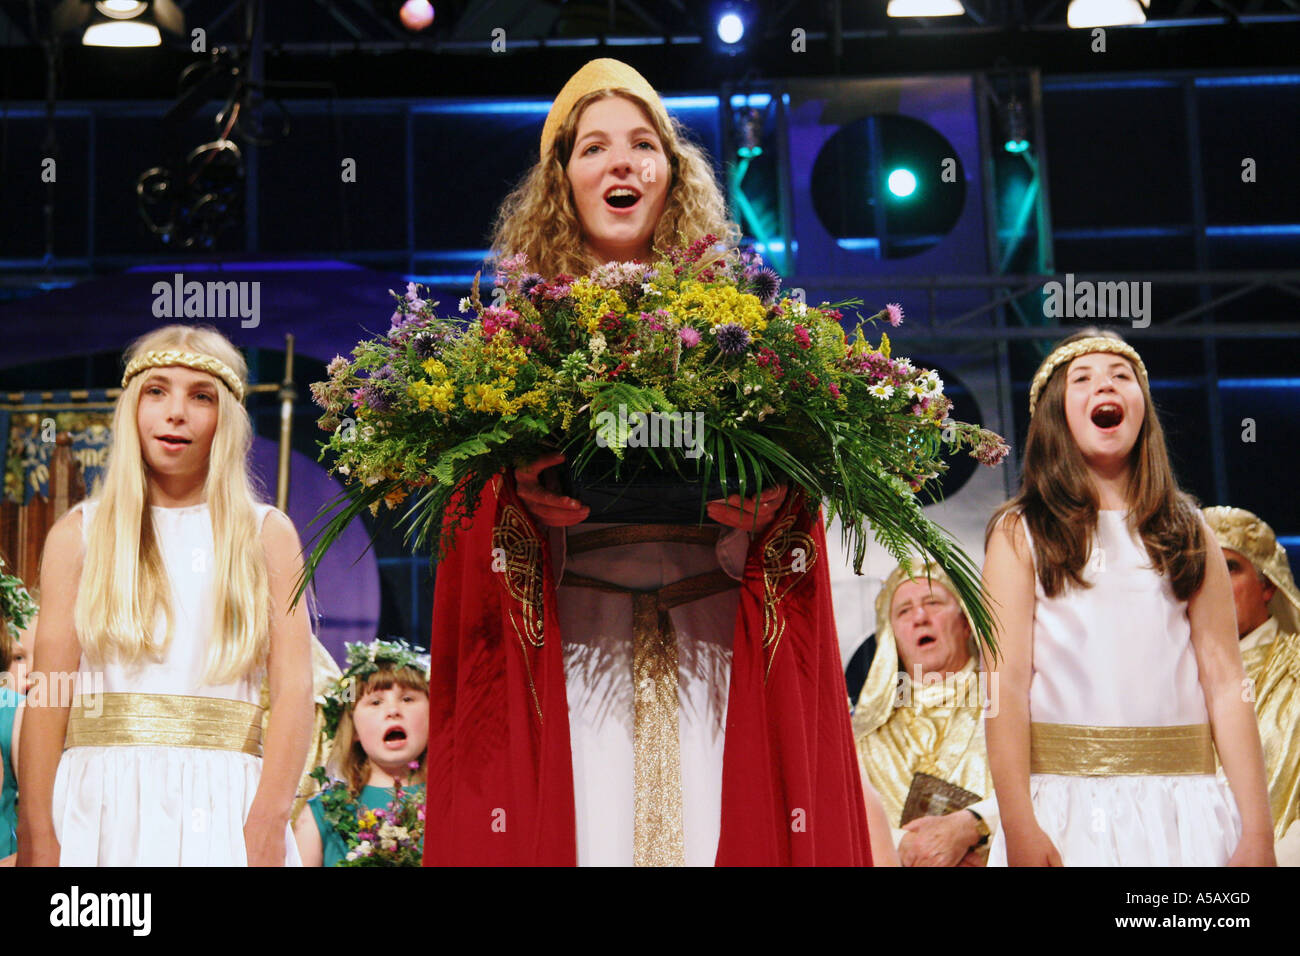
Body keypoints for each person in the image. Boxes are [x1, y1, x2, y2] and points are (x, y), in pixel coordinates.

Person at [425, 58, 871, 866]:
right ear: (561, 178)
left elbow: (797, 490)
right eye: (593, 148)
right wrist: (518, 495)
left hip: (714, 644)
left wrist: (766, 506)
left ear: (672, 172)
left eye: (642, 145)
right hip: (572, 652)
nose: (621, 162)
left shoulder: (741, 322)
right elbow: (469, 521)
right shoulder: (509, 340)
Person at [17, 325, 314, 866]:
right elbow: (48, 695)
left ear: (226, 418)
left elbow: (295, 691)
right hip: (96, 808)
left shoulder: (266, 534)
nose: (175, 411)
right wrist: (37, 829)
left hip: (228, 808)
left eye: (200, 396)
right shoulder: (79, 534)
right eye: (157, 390)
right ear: (132, 407)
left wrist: (269, 821)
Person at [981, 328, 1275, 867]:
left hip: (1185, 814)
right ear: (1055, 414)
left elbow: (1227, 683)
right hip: (1065, 812)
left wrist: (1258, 833)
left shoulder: (1189, 530)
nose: (1105, 386)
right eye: (1083, 379)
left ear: (1142, 408)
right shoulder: (1020, 533)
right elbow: (1004, 684)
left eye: (1121, 377)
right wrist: (1019, 824)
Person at [854, 562, 997, 866]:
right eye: (904, 611)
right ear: (890, 636)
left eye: (933, 603)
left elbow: (1051, 785)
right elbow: (837, 810)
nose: (920, 617)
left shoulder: (1008, 704)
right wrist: (900, 844)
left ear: (966, 621)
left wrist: (974, 824)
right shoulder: (861, 736)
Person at [1203, 505, 1300, 865]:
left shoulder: (1296, 669)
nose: (1213, 582)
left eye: (1229, 568)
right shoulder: (1169, 677)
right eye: (1202, 569)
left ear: (1268, 587)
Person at [295, 640, 429, 867]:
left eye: (407, 699)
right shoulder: (320, 815)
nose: (393, 711)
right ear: (353, 727)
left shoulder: (458, 805)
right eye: (375, 702)